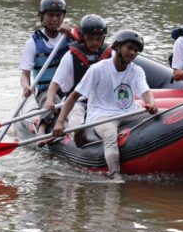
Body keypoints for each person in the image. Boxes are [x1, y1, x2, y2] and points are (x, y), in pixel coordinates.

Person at [53, 29, 158, 179]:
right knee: (110, 135)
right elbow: (74, 96)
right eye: (129, 48)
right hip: (102, 115)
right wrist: (60, 122)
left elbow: (146, 92)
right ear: (117, 47)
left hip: (129, 112)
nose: (132, 53)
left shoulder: (137, 70)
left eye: (136, 50)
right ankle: (115, 174)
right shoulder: (98, 69)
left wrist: (151, 104)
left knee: (162, 114)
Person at [45, 14, 112, 146]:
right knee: (76, 114)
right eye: (90, 39)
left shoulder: (111, 54)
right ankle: (78, 133)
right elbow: (55, 82)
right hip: (77, 101)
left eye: (98, 39)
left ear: (103, 38)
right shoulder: (70, 56)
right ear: (82, 37)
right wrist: (49, 99)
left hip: (102, 100)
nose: (95, 43)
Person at [18, 0, 74, 133]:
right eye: (50, 15)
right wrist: (26, 87)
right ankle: (42, 129)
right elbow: (25, 74)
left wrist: (72, 32)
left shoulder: (70, 37)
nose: (55, 19)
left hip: (68, 89)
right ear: (41, 16)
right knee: (53, 100)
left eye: (58, 15)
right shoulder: (33, 43)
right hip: (45, 91)